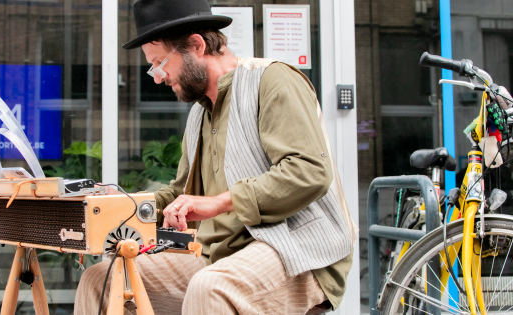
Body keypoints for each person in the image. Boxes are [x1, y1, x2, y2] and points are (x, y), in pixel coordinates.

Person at [75, 0, 356, 314]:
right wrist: (123, 205)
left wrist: (219, 202)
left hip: (298, 249)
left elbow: (309, 171)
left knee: (210, 287)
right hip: (219, 255)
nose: (157, 77)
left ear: (196, 45)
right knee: (103, 279)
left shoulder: (272, 80)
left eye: (159, 64)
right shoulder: (199, 114)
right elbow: (181, 195)